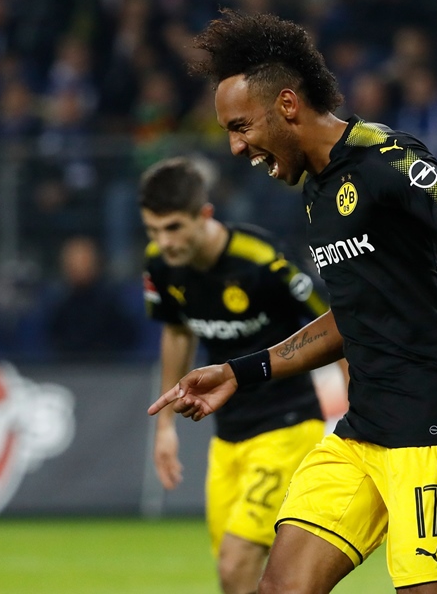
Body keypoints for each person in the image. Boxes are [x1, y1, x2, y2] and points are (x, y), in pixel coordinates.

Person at [148, 10, 437, 594]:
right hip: (364, 428)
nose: (236, 148)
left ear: (287, 105)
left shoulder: (385, 158)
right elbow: (351, 317)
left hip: (435, 422)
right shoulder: (316, 190)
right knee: (280, 587)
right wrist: (240, 371)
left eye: (241, 127)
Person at [139, 155, 341, 594]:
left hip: (288, 426)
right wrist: (166, 425)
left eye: (173, 227)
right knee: (236, 579)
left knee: (237, 561)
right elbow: (176, 333)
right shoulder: (159, 265)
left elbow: (336, 323)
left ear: (204, 215)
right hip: (228, 437)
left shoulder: (262, 260)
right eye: (153, 230)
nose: (163, 242)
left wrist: (359, 400)